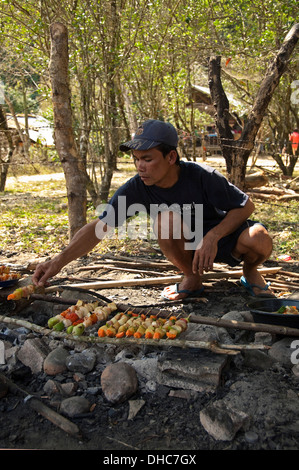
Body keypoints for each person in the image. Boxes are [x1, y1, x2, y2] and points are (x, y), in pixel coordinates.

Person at [32, 119, 273, 300]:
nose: (140, 166)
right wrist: (58, 262)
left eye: (147, 159)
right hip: (189, 247)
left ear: (170, 157)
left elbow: (245, 206)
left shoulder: (202, 176)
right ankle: (191, 276)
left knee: (260, 240)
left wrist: (213, 236)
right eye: (136, 159)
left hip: (224, 237)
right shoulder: (136, 188)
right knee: (165, 219)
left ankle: (250, 272)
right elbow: (99, 227)